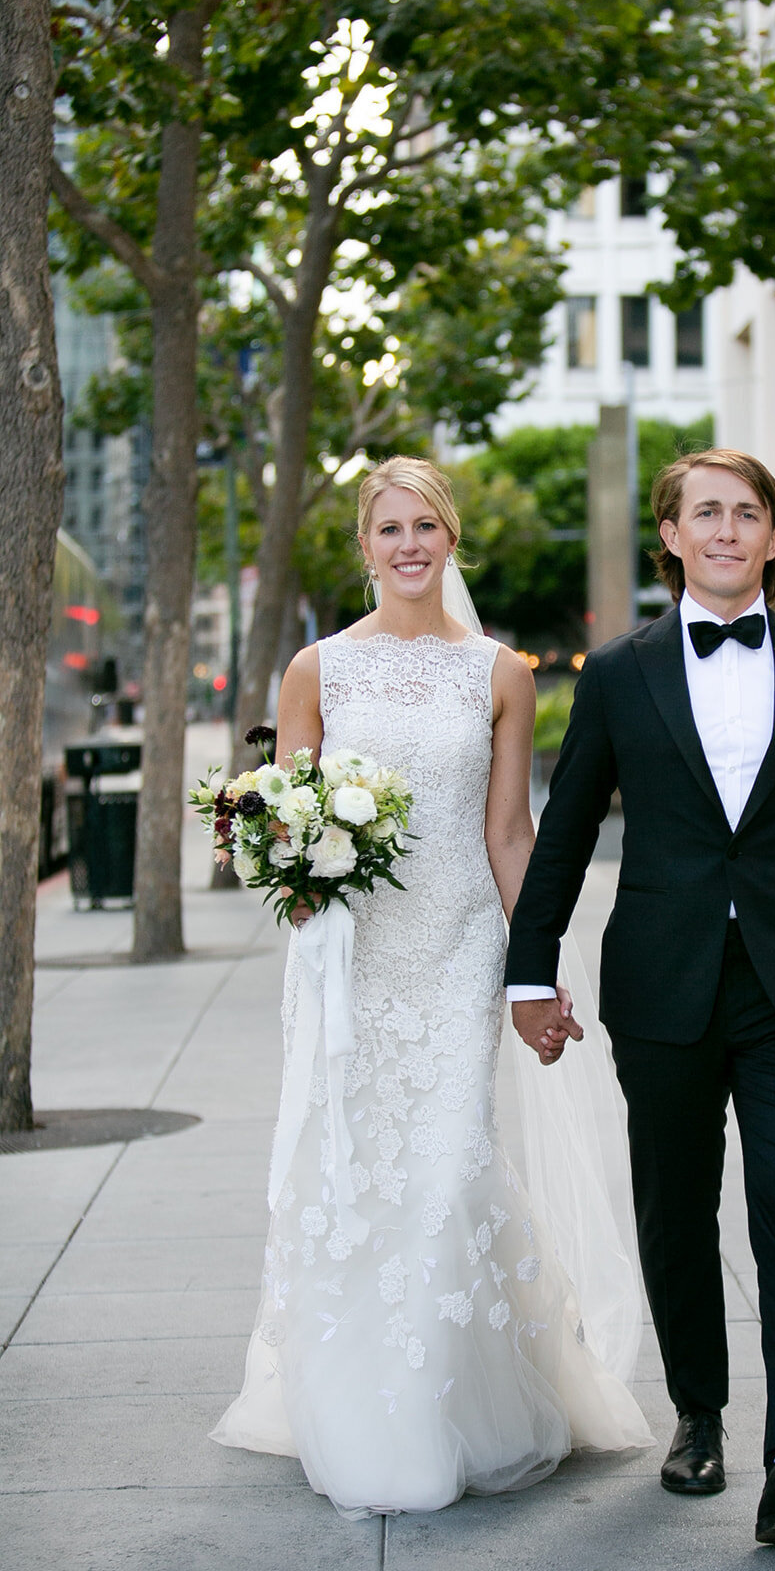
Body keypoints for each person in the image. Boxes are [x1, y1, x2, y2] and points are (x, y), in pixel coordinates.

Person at [506, 447, 775, 1548]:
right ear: (672, 537)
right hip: (663, 985)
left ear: (773, 539)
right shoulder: (614, 674)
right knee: (675, 1209)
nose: (728, 530)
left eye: (748, 513)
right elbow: (563, 834)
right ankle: (698, 1412)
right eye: (707, 513)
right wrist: (528, 967)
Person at [211, 456, 652, 1517]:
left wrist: (534, 966)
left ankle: (440, 1406)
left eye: (426, 527)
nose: (408, 545)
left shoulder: (500, 672)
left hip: (457, 946)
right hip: (355, 957)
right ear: (363, 547)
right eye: (389, 529)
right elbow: (287, 816)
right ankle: (372, 1418)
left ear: (451, 540)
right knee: (361, 1180)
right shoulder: (316, 669)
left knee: (450, 1168)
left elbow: (508, 832)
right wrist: (299, 881)